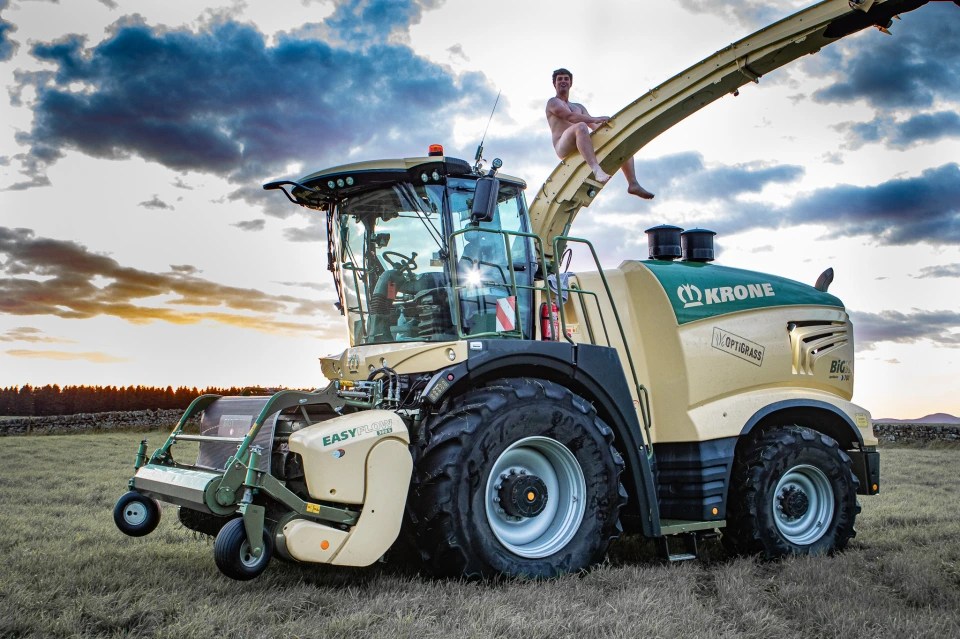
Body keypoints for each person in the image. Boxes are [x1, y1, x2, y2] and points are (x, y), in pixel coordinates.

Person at [546, 68, 654, 199]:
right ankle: (596, 169)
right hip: (563, 145)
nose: (563, 81)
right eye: (559, 79)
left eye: (566, 79)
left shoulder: (579, 107)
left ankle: (633, 183)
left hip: (581, 140)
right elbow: (570, 117)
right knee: (580, 126)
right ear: (554, 84)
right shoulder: (553, 102)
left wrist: (612, 131)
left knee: (618, 141)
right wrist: (595, 118)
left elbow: (595, 127)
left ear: (570, 83)